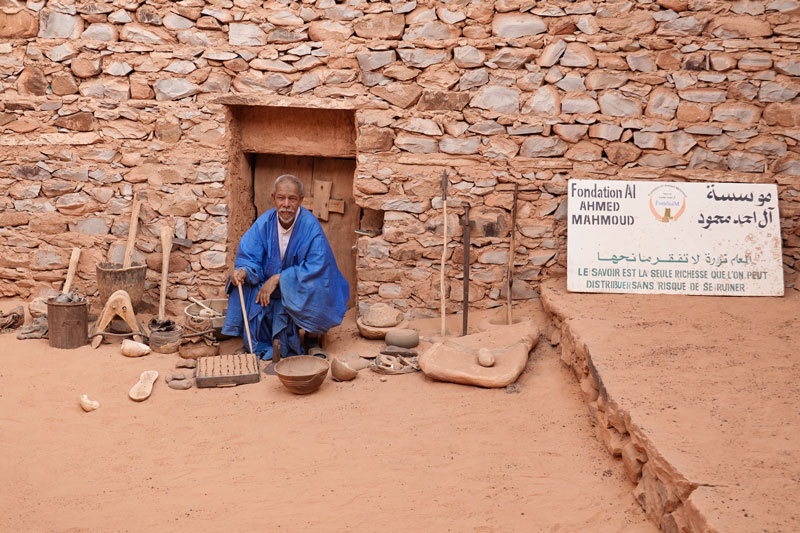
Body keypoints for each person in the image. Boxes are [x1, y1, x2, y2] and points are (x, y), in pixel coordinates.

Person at [221, 174, 349, 360]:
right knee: (242, 283)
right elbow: (249, 256)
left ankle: (312, 339)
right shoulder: (263, 224)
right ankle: (253, 341)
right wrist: (243, 271)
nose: (286, 204)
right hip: (267, 289)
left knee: (320, 283)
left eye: (292, 199)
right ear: (274, 198)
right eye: (281, 198)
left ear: (301, 200)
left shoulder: (311, 227)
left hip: (297, 287)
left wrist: (279, 278)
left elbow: (318, 266)